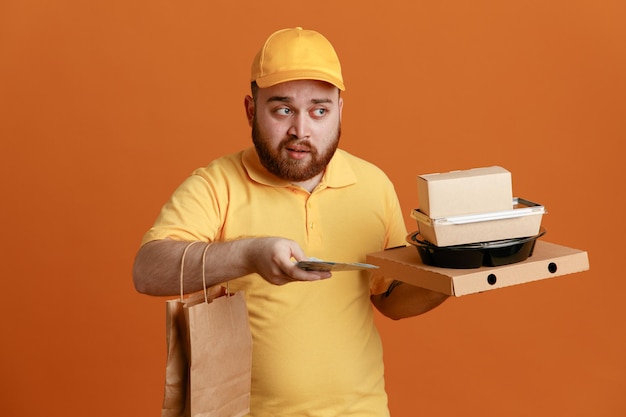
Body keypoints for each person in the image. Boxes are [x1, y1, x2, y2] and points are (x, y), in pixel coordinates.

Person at [133, 27, 448, 416]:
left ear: (339, 111)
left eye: (319, 110)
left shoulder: (372, 184)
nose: (301, 130)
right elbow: (148, 270)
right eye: (283, 109)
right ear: (251, 109)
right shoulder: (217, 185)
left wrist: (450, 276)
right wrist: (248, 254)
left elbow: (390, 300)